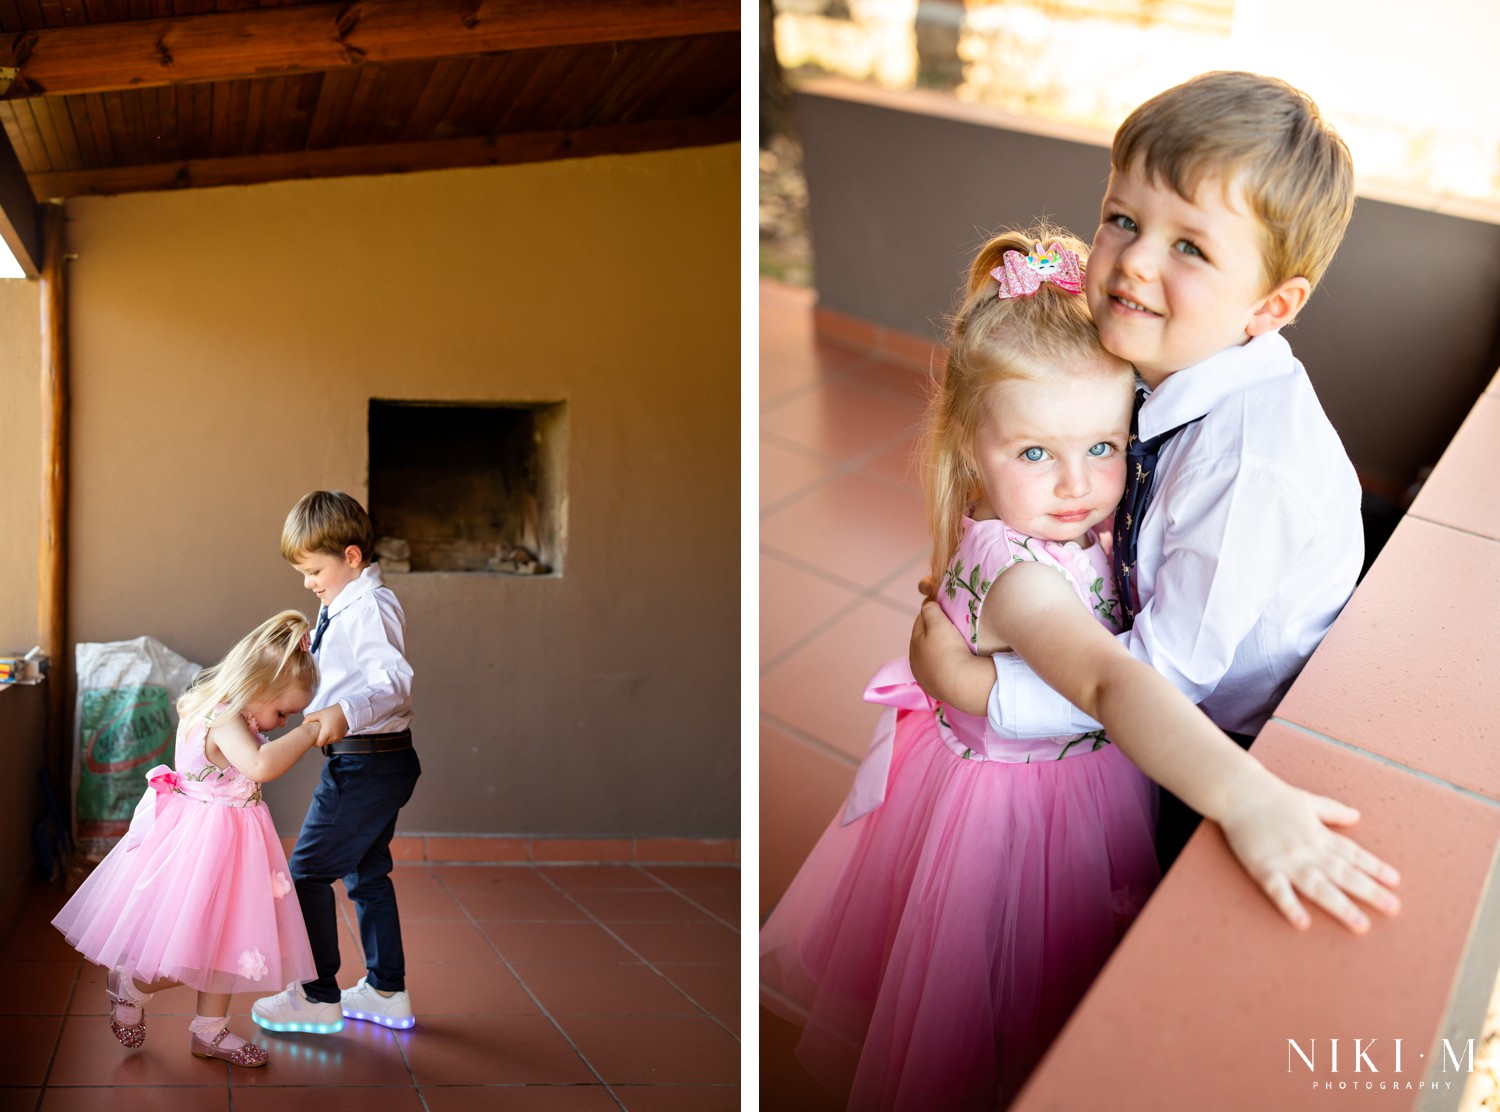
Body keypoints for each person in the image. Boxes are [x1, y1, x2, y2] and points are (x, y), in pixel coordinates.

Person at [760, 228, 1401, 1111]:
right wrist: (1248, 797)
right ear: (967, 450)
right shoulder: (1021, 576)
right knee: (998, 989)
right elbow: (1107, 684)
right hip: (1021, 820)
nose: (1078, 486)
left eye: (1103, 447)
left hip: (1069, 784)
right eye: (1035, 454)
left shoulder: (1064, 525)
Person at [912, 71, 1386, 879]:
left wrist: (986, 687)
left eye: (1189, 246)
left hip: (1223, 736)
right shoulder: (1164, 363)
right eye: (1122, 219)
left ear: (1271, 306)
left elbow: (1166, 676)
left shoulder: (1246, 466)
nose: (1132, 262)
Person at [53, 611, 323, 1068]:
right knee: (197, 941)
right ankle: (133, 983)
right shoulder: (222, 717)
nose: (279, 724)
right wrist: (310, 731)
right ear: (256, 684)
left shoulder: (225, 707)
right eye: (282, 712)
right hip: (208, 845)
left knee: (232, 941)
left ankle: (210, 1031)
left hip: (236, 842)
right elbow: (260, 766)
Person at [252, 490, 420, 1034]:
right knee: (366, 873)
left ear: (351, 556)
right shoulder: (342, 603)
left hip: (366, 762)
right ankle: (386, 990)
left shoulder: (369, 605)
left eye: (314, 569)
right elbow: (342, 667)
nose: (307, 582)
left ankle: (317, 994)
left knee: (305, 873)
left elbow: (392, 682)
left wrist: (345, 712)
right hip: (376, 760)